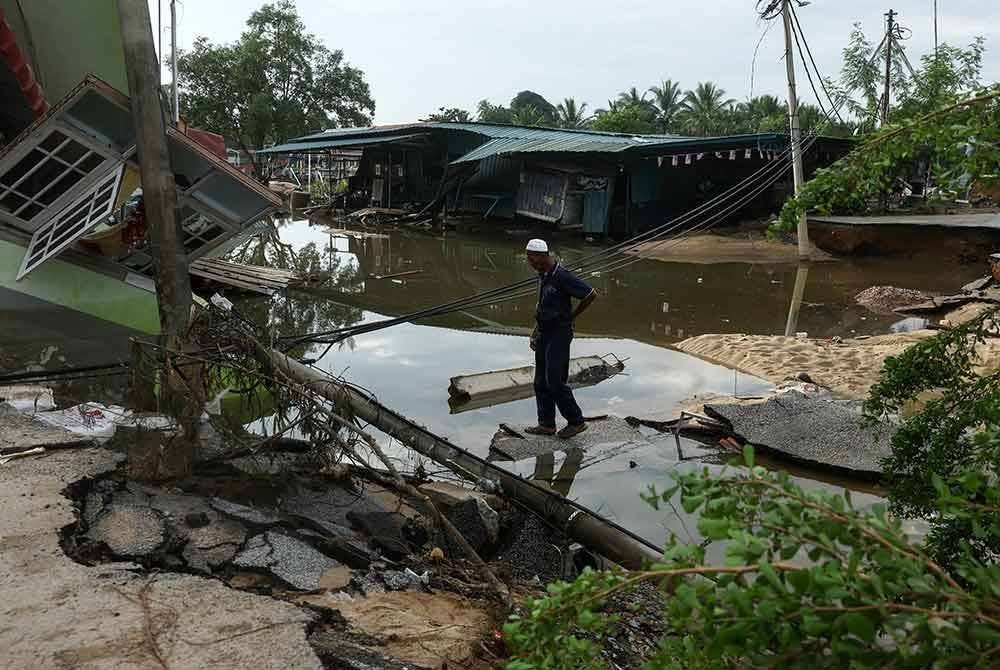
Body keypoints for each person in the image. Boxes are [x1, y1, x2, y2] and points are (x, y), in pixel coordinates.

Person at [524, 238, 597, 439]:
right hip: (544, 332)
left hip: (560, 333)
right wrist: (534, 332)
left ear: (543, 256)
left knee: (555, 380)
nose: (530, 263)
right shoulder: (542, 275)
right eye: (528, 259)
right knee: (540, 381)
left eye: (533, 259)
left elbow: (590, 294)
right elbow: (542, 307)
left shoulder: (562, 276)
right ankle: (547, 424)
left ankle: (576, 421)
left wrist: (572, 316)